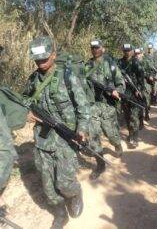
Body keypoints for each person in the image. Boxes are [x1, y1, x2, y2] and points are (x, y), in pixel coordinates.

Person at [23, 36, 90, 228]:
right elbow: (24, 98)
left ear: (53, 55)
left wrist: (82, 129)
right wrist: (28, 113)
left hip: (65, 139)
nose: (41, 63)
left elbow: (83, 107)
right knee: (48, 186)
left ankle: (75, 193)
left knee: (64, 183)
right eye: (37, 60)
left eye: (44, 58)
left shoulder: (68, 76)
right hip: (43, 140)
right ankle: (61, 213)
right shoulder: (34, 79)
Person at [84, 39, 125, 179]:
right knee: (93, 136)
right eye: (92, 48)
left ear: (103, 48)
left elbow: (121, 83)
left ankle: (117, 144)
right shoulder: (87, 65)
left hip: (108, 105)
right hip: (92, 105)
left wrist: (116, 91)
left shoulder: (111, 64)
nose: (94, 50)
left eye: (97, 47)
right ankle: (100, 165)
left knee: (110, 133)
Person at [118, 44, 145, 148]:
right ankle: (130, 134)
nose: (127, 52)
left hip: (134, 93)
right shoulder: (119, 62)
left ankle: (135, 138)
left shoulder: (136, 62)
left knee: (134, 116)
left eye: (128, 50)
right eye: (125, 50)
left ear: (132, 51)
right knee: (127, 116)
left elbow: (141, 78)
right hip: (124, 93)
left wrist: (139, 90)